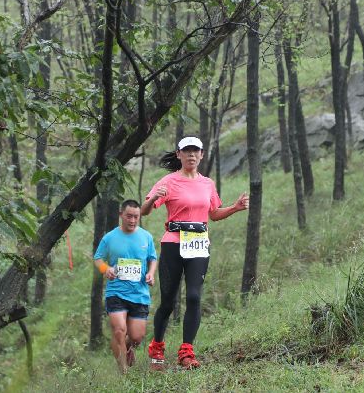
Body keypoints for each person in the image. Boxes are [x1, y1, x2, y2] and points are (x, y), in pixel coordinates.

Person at [141, 136, 249, 370]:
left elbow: (214, 213)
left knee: (193, 297)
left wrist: (235, 208)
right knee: (168, 300)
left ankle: (186, 352)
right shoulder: (168, 181)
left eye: (195, 151)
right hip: (172, 243)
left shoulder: (207, 184)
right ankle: (157, 348)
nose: (191, 154)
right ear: (178, 154)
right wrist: (155, 199)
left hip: (199, 243)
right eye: (186, 150)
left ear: (201, 155)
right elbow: (144, 211)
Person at [93, 199, 158, 372]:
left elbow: (153, 258)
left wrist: (151, 273)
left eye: (136, 217)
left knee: (137, 337)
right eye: (129, 216)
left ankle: (128, 347)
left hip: (139, 293)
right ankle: (123, 372)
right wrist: (105, 269)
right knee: (119, 330)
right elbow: (98, 259)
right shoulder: (110, 238)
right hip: (116, 292)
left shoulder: (146, 237)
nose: (132, 220)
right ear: (121, 215)